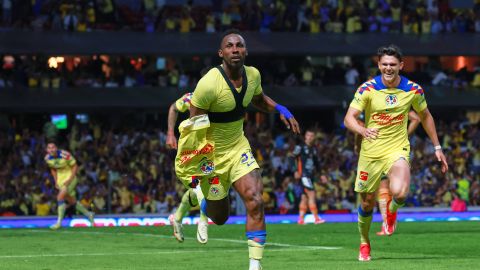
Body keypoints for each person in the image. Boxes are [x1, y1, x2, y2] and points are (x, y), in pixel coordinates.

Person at [180, 29, 300, 270]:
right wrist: (198, 165)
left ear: (245, 50)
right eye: (230, 46)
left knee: (255, 200)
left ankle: (255, 265)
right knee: (220, 218)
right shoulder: (208, 84)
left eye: (239, 45)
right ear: (221, 53)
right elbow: (194, 127)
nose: (235, 49)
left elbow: (258, 99)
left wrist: (280, 108)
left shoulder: (253, 75)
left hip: (238, 148)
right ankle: (204, 203)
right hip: (211, 156)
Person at [344, 44, 448, 261]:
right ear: (378, 64)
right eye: (384, 64)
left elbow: (426, 116)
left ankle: (391, 212)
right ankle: (364, 242)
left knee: (400, 193)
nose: (388, 68)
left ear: (401, 65)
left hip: (396, 148)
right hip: (370, 152)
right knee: (366, 203)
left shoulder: (413, 90)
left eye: (393, 64)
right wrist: (363, 130)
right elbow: (349, 118)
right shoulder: (367, 89)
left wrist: (438, 147)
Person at [354, 111, 420, 236]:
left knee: (383, 189)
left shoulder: (379, 109)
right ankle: (386, 223)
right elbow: (416, 119)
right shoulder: (373, 110)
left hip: (386, 155)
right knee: (369, 200)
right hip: (371, 158)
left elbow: (416, 118)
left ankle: (387, 223)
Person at [166, 91, 210, 244]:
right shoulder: (191, 97)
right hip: (188, 158)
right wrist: (170, 133)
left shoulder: (222, 100)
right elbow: (174, 107)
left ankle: (178, 218)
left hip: (207, 155)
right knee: (199, 189)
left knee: (204, 188)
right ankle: (203, 220)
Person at [44, 140, 94, 230]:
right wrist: (56, 181)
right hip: (60, 180)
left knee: (60, 197)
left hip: (71, 178)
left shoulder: (65, 154)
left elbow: (75, 166)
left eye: (53, 147)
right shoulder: (47, 158)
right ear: (46, 150)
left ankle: (59, 223)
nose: (51, 149)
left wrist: (69, 180)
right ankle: (89, 214)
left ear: (56, 148)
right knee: (71, 200)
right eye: (49, 148)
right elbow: (52, 169)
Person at [293, 129, 326, 225]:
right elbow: (291, 157)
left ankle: (301, 219)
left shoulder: (313, 149)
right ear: (305, 136)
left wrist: (322, 174)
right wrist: (295, 171)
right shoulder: (300, 147)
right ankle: (316, 218)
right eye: (308, 135)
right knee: (312, 194)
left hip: (310, 175)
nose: (310, 137)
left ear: (314, 137)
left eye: (312, 136)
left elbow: (317, 163)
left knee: (304, 197)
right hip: (304, 175)